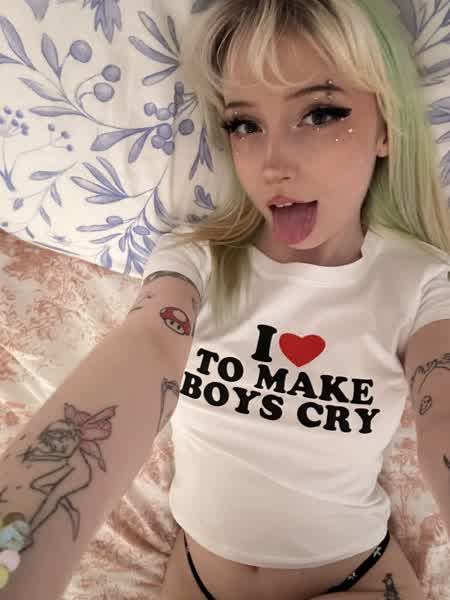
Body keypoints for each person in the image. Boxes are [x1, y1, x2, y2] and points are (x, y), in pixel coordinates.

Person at [1, 0, 449, 599]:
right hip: (195, 581)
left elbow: (442, 404)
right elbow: (147, 346)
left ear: (386, 128)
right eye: (245, 124)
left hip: (358, 582)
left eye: (319, 114)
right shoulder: (194, 261)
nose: (272, 164)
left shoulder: (421, 282)